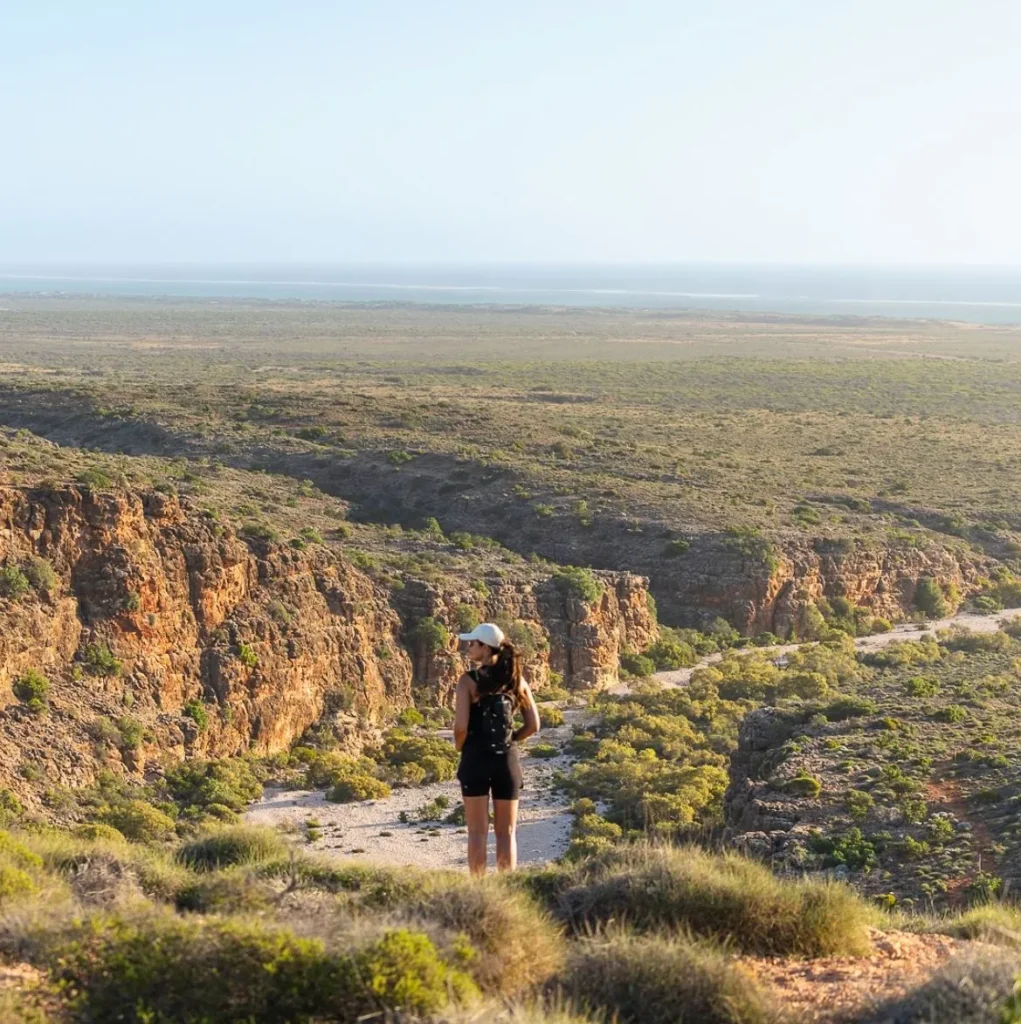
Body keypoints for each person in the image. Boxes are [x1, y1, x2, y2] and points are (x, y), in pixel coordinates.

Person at [453, 622, 540, 875]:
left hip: (475, 760)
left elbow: (460, 727)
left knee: (477, 832)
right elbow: (534, 724)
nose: (468, 647)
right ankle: (508, 887)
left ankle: (478, 892)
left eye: (473, 643)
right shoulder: (516, 680)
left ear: (485, 647)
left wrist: (463, 748)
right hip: (507, 761)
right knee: (507, 833)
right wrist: (511, 740)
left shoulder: (468, 682)